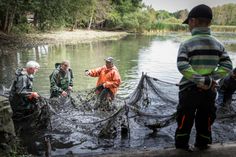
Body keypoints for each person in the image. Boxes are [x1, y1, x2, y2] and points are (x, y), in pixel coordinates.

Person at [175, 4, 232, 151]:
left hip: (189, 90)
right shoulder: (218, 44)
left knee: (184, 118)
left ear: (193, 21)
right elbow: (227, 66)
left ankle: (181, 147)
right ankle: (202, 144)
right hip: (210, 91)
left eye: (188, 23)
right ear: (210, 23)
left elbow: (182, 66)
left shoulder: (186, 44)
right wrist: (211, 79)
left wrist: (202, 81)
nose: (188, 26)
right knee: (206, 118)